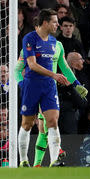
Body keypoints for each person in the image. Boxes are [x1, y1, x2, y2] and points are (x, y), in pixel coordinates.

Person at [18, 9, 70, 167]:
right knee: (27, 124)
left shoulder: (54, 42)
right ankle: (23, 160)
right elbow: (32, 65)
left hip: (48, 87)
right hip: (32, 85)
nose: (57, 24)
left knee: (52, 121)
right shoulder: (29, 38)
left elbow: (64, 66)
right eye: (54, 21)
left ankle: (54, 159)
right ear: (45, 22)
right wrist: (54, 75)